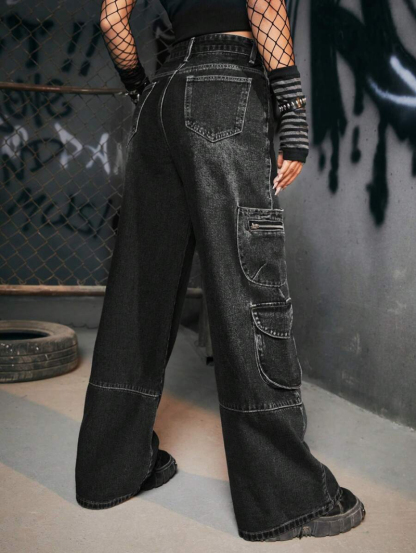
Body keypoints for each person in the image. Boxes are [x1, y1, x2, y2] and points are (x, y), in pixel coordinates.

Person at [75, 0, 366, 542]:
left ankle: (108, 471)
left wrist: (143, 91)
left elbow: (113, 18)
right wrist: (292, 109)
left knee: (140, 287)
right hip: (226, 87)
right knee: (247, 284)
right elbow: (263, 3)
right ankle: (286, 500)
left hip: (161, 96)